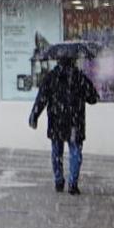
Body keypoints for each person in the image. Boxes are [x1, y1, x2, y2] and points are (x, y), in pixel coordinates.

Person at [28, 54, 99, 194]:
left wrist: (34, 115)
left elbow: (41, 98)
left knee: (56, 153)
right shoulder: (79, 77)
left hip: (56, 121)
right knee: (75, 152)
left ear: (58, 60)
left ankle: (59, 181)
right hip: (75, 121)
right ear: (73, 61)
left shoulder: (51, 77)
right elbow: (93, 98)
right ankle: (73, 184)